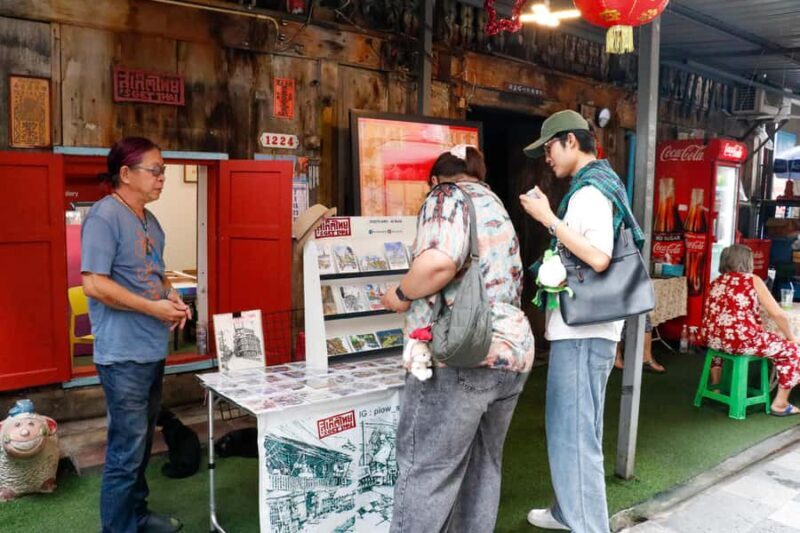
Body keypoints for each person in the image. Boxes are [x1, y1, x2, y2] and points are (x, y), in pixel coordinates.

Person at [382, 145, 534, 532]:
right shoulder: (494, 203)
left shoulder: (446, 197)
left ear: (435, 179)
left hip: (461, 356)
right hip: (511, 354)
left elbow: (438, 263)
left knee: (427, 473)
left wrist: (400, 295)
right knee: (482, 471)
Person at [519, 110, 645, 533]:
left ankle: (588, 526)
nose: (547, 159)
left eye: (549, 148)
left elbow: (597, 256)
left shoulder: (590, 191)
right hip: (591, 330)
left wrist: (547, 219)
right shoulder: (600, 183)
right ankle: (565, 510)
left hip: (584, 331)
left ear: (571, 142)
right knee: (577, 428)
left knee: (575, 435)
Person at [81, 137, 191, 533]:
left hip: (150, 349)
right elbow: (94, 284)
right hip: (122, 355)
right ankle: (119, 528)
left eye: (164, 170)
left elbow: (156, 275)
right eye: (156, 170)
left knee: (141, 444)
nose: (163, 178)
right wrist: (152, 307)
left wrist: (173, 297)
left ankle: (137, 516)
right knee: (126, 450)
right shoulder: (103, 216)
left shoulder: (150, 221)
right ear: (125, 174)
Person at [702, 244, 800, 416]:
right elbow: (778, 315)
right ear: (747, 261)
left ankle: (717, 387)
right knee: (792, 350)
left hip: (713, 339)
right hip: (741, 341)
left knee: (723, 342)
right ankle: (780, 404)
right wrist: (791, 337)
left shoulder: (716, 282)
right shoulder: (752, 280)